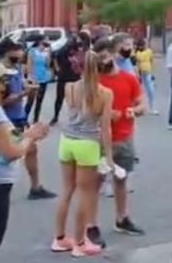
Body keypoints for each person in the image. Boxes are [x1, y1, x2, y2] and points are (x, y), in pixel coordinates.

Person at [0, 61, 50, 263]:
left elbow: (11, 137)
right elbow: (11, 151)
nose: (10, 83)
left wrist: (29, 134)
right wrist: (30, 138)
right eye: (6, 80)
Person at [52, 43, 115, 257]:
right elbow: (105, 128)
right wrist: (109, 157)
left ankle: (60, 238)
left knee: (67, 191)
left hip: (67, 141)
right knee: (86, 194)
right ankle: (80, 242)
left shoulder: (69, 88)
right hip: (88, 143)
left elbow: (65, 114)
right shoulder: (105, 93)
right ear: (99, 69)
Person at [88, 36, 147, 246]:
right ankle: (91, 225)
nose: (103, 61)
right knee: (96, 183)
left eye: (106, 56)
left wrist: (134, 111)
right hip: (100, 140)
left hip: (124, 137)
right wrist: (103, 113)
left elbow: (142, 103)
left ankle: (122, 218)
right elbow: (86, 110)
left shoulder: (129, 78)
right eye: (99, 57)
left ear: (113, 54)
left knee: (121, 180)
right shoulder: (94, 80)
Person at [0, 37, 56, 200]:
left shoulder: (15, 69)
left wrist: (29, 88)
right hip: (7, 120)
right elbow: (1, 100)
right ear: (7, 52)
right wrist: (24, 93)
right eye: (17, 50)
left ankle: (35, 187)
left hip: (19, 117)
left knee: (30, 149)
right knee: (9, 155)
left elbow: (21, 87)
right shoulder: (0, 73)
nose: (20, 53)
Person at [50, 36, 84, 125]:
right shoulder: (62, 51)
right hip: (64, 77)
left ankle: (76, 117)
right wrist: (57, 69)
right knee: (59, 98)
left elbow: (82, 63)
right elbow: (54, 56)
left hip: (74, 77)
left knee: (76, 99)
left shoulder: (78, 53)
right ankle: (55, 116)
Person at [25, 36, 53, 123]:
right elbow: (29, 64)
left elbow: (48, 65)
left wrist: (49, 53)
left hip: (43, 77)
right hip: (34, 77)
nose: (48, 42)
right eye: (46, 40)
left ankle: (35, 119)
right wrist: (31, 77)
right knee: (30, 100)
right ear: (41, 41)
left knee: (39, 100)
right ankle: (24, 119)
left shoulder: (46, 52)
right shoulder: (32, 51)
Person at [134, 38, 157, 115]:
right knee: (140, 90)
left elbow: (152, 61)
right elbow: (136, 62)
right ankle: (140, 107)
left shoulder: (149, 52)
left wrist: (153, 72)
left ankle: (152, 107)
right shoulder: (136, 53)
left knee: (150, 89)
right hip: (140, 72)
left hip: (148, 71)